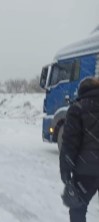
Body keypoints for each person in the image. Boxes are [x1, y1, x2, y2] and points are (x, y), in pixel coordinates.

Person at [60, 77, 99, 222]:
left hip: (85, 172)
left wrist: (65, 170)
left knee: (78, 209)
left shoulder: (77, 108)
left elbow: (69, 143)